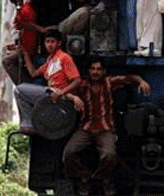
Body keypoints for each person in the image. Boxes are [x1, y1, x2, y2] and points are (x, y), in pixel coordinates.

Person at [63, 56, 151, 196]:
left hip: (105, 129)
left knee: (109, 155)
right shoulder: (82, 85)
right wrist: (74, 97)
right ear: (88, 71)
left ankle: (102, 178)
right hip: (85, 128)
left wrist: (141, 82)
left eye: (98, 69)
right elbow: (63, 91)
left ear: (104, 71)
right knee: (68, 154)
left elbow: (130, 77)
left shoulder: (110, 82)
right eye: (92, 69)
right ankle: (84, 176)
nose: (95, 72)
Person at [14, 29, 82, 133]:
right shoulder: (50, 60)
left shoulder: (64, 58)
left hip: (60, 96)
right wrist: (25, 53)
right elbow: (33, 73)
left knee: (19, 90)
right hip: (51, 93)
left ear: (58, 43)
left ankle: (28, 124)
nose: (49, 45)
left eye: (52, 42)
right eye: (47, 42)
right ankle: (30, 122)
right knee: (20, 92)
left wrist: (62, 93)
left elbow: (77, 80)